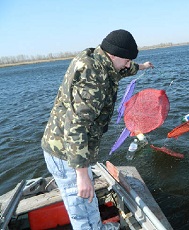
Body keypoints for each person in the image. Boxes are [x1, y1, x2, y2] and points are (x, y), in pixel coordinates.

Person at [41, 29, 154, 230]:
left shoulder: (97, 58)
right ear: (112, 55)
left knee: (86, 201)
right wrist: (82, 174)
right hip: (67, 153)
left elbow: (121, 70)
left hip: (64, 147)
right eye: (127, 60)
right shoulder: (93, 78)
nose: (128, 65)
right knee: (82, 206)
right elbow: (77, 125)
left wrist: (142, 67)